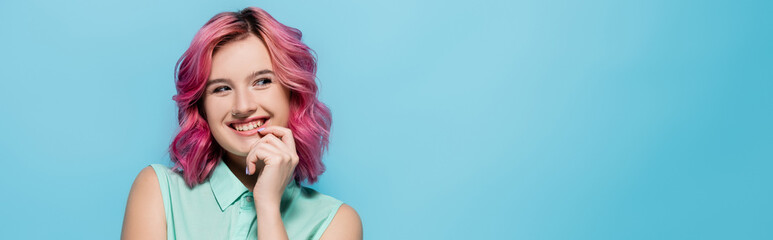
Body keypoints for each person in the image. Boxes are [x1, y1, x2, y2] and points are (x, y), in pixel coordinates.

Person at [121, 7, 362, 240]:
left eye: (262, 82)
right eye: (222, 88)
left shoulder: (335, 222)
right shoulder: (160, 193)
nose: (243, 106)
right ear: (202, 106)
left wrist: (267, 206)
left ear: (292, 92)